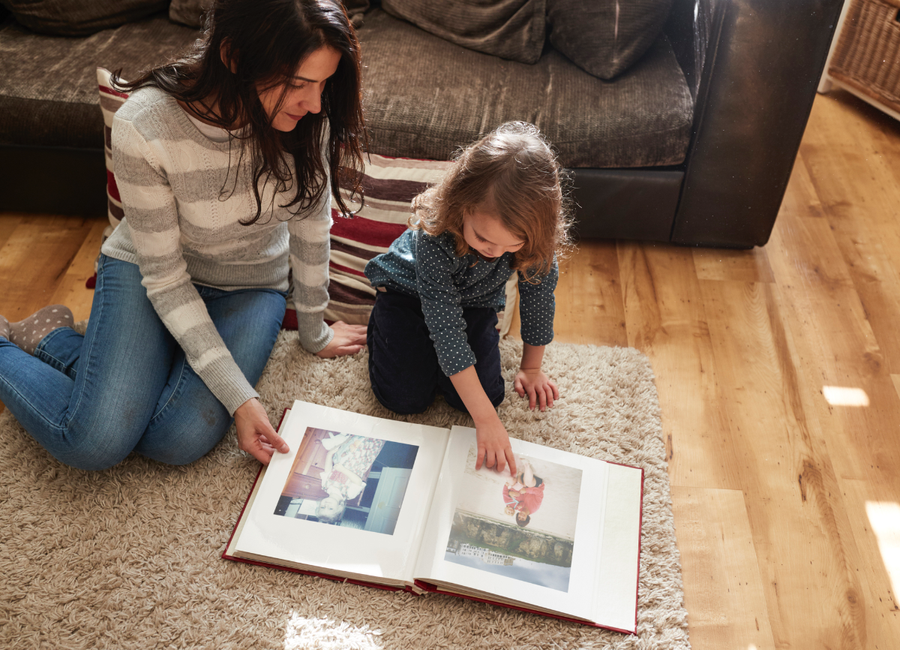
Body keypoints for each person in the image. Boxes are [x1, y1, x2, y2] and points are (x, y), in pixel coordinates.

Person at [0, 0, 367, 471]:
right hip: (152, 272)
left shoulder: (311, 119)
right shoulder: (144, 124)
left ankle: (56, 339)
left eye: (322, 83)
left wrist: (315, 331)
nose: (314, 103)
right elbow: (166, 278)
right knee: (93, 442)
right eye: (297, 84)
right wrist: (240, 398)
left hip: (250, 285)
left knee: (175, 439)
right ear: (234, 57)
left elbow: (312, 232)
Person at [364, 121, 573, 476]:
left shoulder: (535, 240)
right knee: (403, 399)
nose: (495, 253)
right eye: (484, 239)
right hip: (407, 294)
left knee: (485, 396)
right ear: (461, 204)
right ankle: (380, 325)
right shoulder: (435, 235)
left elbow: (538, 300)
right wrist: (487, 421)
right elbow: (445, 328)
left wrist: (531, 368)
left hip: (473, 303)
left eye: (511, 245)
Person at [315, 433, 385, 525]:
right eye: (330, 508)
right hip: (360, 459)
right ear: (339, 508)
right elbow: (358, 481)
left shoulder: (325, 486)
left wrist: (329, 454)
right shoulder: (349, 494)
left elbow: (327, 470)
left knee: (358, 436)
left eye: (322, 507)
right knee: (370, 439)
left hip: (343, 456)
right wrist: (343, 470)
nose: (326, 505)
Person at [502, 458, 544, 527]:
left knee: (511, 481)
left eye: (519, 517)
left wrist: (509, 493)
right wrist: (526, 490)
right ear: (527, 518)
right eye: (523, 518)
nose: (521, 516)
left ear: (517, 515)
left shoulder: (519, 507)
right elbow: (540, 493)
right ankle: (526, 464)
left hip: (522, 483)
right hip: (535, 485)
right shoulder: (534, 508)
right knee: (528, 483)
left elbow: (514, 496)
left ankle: (505, 464)